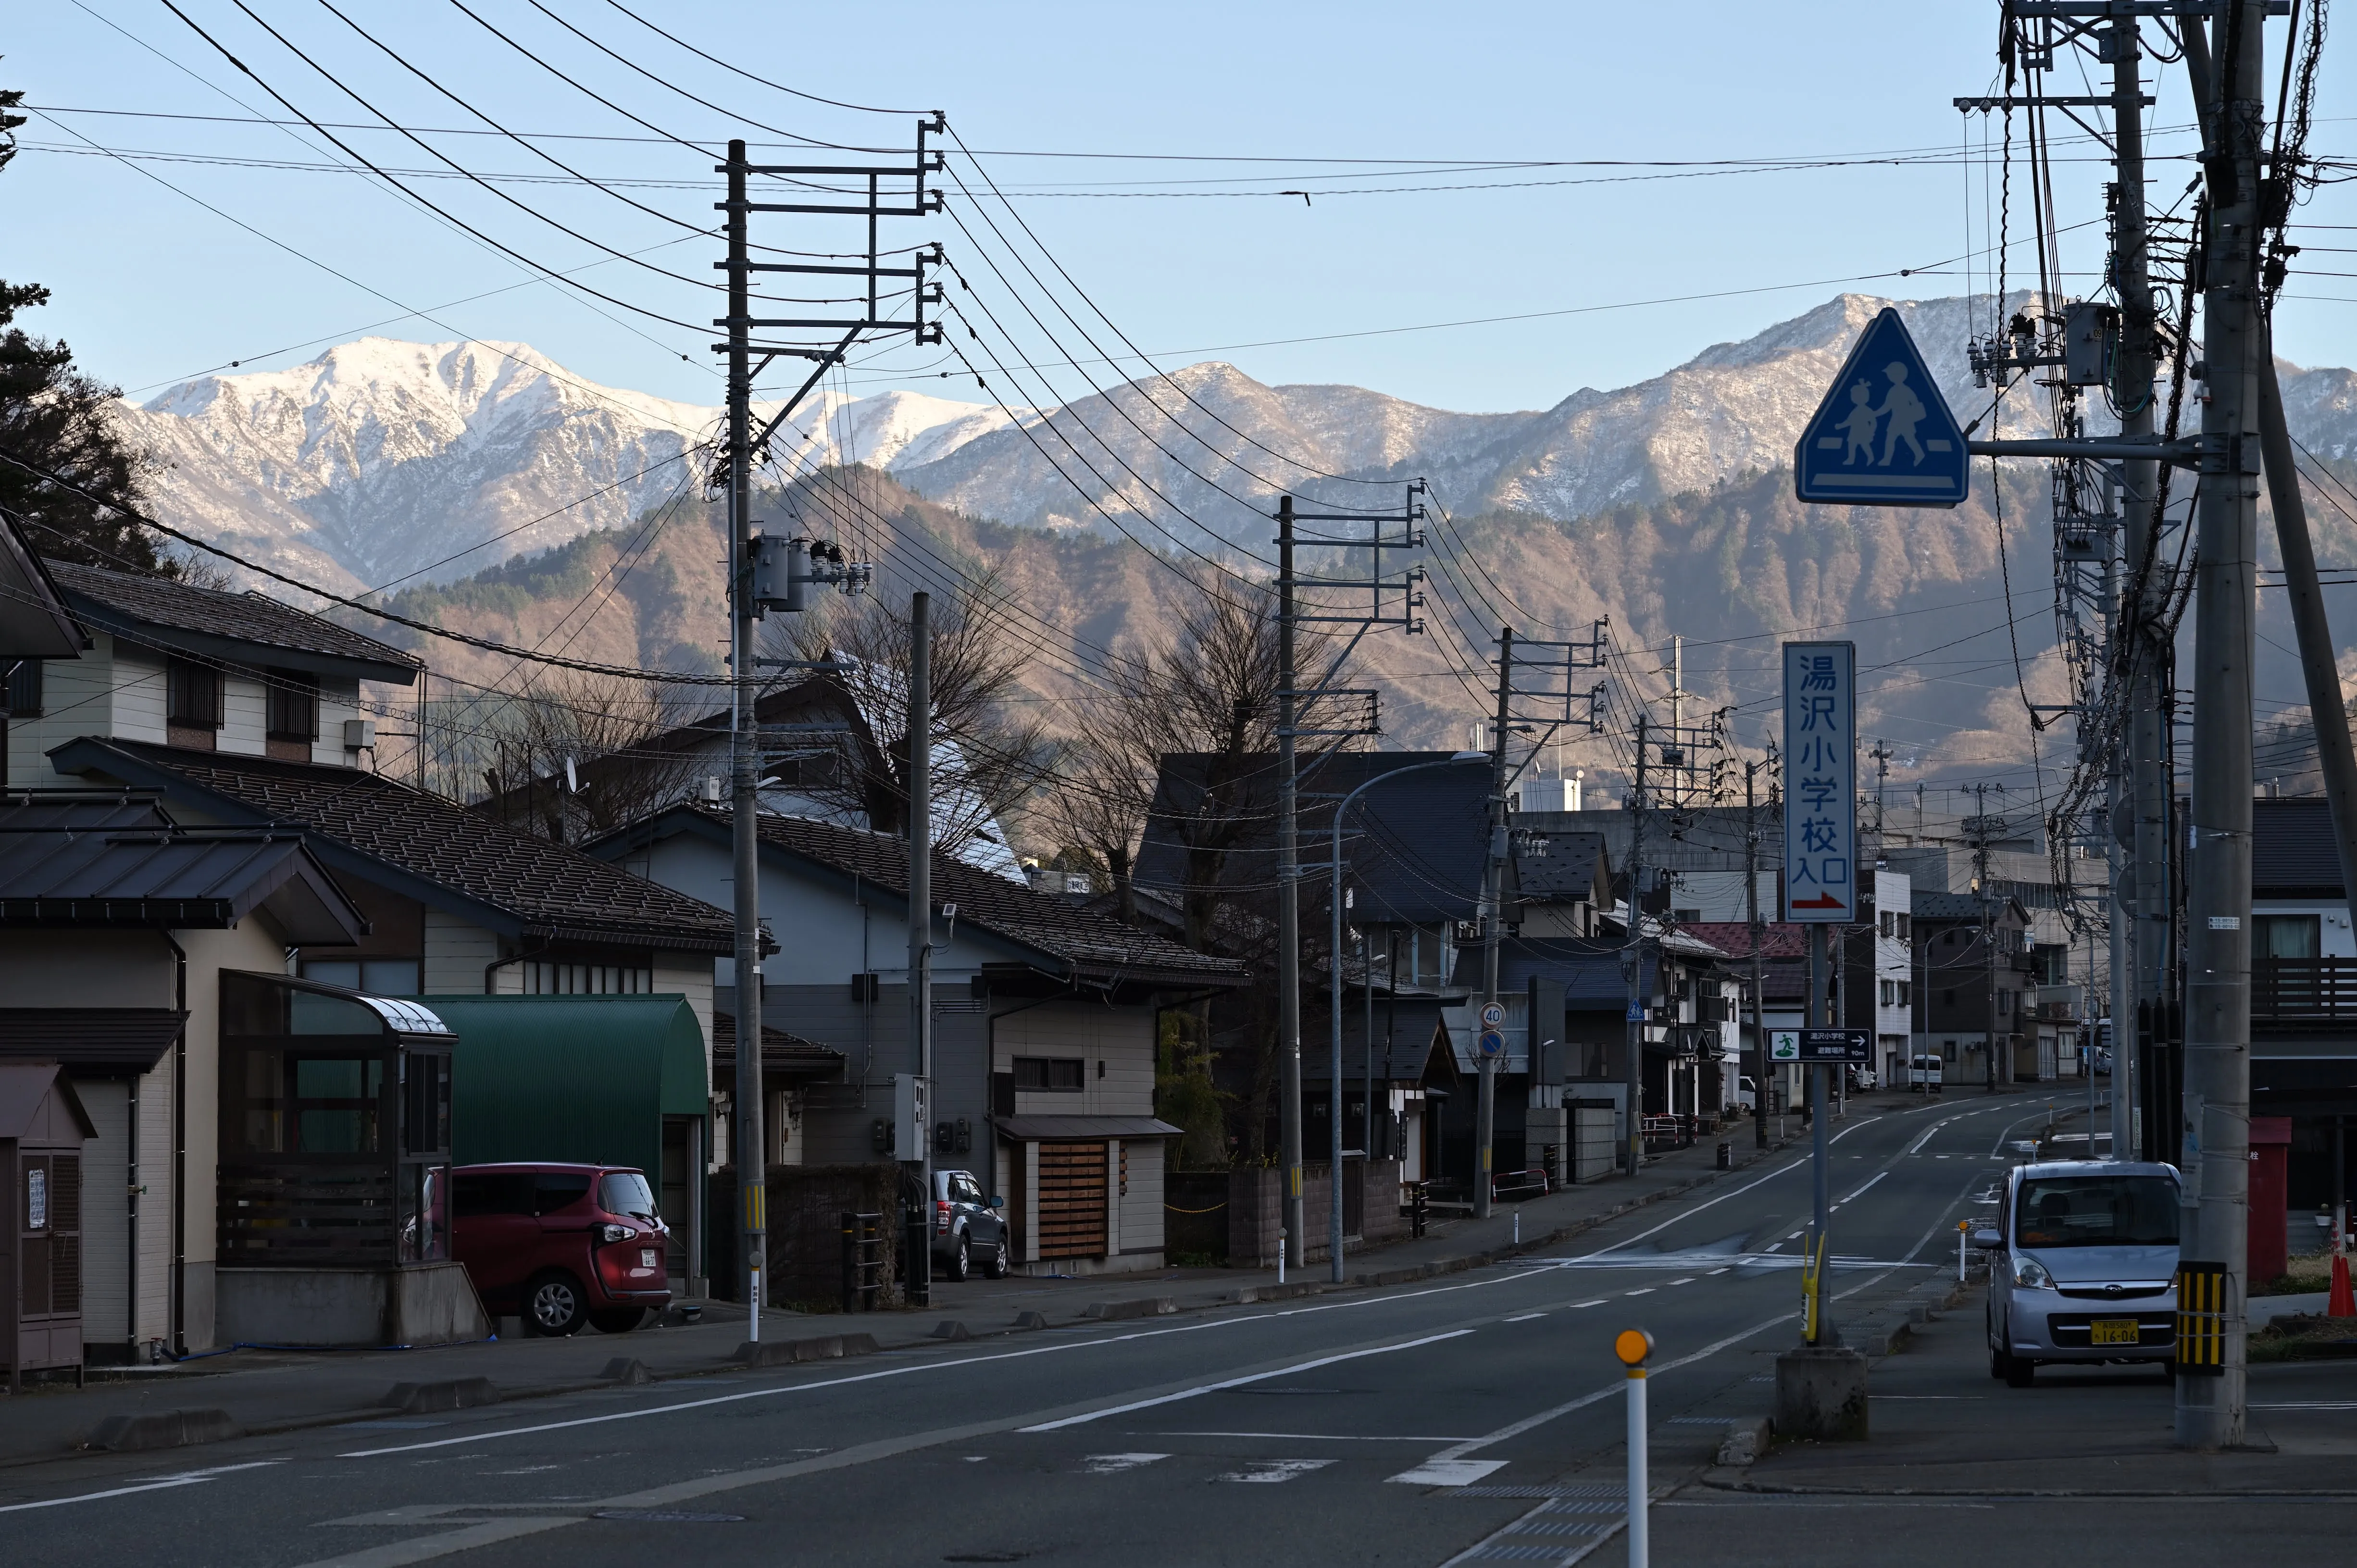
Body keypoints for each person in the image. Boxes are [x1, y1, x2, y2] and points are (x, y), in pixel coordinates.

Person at [1877, 361, 1927, 466]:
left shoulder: (1904, 390)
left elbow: (1914, 403)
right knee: (1895, 439)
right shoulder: (1894, 390)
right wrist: (1876, 414)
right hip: (1897, 419)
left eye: (1890, 374)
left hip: (1904, 419)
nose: (1889, 377)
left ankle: (1919, 454)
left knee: (1904, 439)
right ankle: (1888, 459)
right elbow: (1887, 406)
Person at [1837, 379, 1880, 465]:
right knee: (1852, 444)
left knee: (1865, 445)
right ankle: (1851, 459)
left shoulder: (1867, 410)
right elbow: (1849, 421)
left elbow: (1873, 422)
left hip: (1864, 431)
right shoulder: (1855, 411)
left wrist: (1871, 431)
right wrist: (1840, 426)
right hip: (1854, 432)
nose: (1854, 398)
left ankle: (1871, 458)